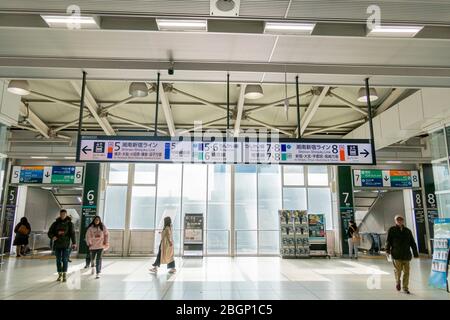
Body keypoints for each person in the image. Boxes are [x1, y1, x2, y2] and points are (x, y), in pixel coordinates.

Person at [385, 215, 419, 294]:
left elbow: (412, 243)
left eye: (401, 220)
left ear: (403, 221)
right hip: (396, 254)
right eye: (398, 220)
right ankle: (397, 282)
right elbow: (388, 241)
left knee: (407, 272)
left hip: (406, 254)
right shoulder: (392, 230)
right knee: (398, 271)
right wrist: (387, 250)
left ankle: (405, 288)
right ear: (395, 221)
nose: (399, 221)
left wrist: (415, 253)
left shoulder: (407, 231)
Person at [47, 209, 77, 282]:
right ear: (60, 215)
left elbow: (72, 234)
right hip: (57, 244)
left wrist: (74, 243)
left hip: (66, 244)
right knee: (58, 260)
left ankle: (64, 274)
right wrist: (53, 237)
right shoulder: (55, 223)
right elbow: (49, 232)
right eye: (61, 214)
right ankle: (59, 274)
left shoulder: (70, 224)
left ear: (66, 215)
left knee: (65, 259)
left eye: (64, 214)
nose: (62, 215)